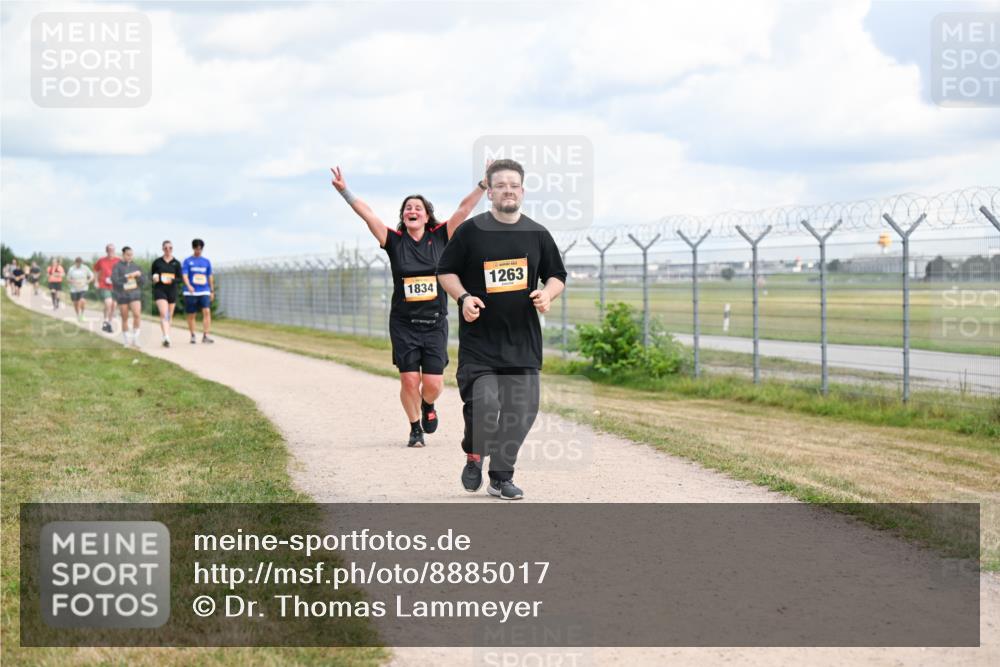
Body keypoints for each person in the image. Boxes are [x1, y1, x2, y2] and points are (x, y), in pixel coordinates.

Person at [330, 164, 488, 447]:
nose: (411, 211)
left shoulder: (441, 236)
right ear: (403, 216)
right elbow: (368, 214)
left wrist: (483, 184)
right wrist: (345, 191)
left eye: (417, 208)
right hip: (404, 323)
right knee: (409, 380)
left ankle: (428, 406)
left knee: (433, 385)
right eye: (407, 208)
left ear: (427, 216)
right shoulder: (394, 241)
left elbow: (463, 210)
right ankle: (415, 427)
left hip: (435, 322)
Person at [436, 159, 567, 499]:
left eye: (514, 185)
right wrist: (463, 297)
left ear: (522, 191)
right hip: (480, 342)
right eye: (501, 185)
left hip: (523, 343)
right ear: (490, 191)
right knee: (485, 405)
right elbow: (446, 271)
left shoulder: (537, 233)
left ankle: (500, 477)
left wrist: (546, 294)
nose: (508, 190)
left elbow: (557, 275)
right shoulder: (471, 231)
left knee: (521, 413)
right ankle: (474, 450)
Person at [111, 246, 145, 347]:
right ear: (123, 255)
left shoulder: (137, 266)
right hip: (122, 295)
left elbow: (143, 281)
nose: (130, 257)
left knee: (137, 315)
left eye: (131, 255)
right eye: (128, 255)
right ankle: (126, 341)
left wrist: (139, 276)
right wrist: (129, 276)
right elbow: (115, 281)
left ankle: (135, 339)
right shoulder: (117, 266)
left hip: (135, 294)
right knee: (125, 317)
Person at [182, 239, 214, 344]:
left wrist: (211, 290)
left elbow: (209, 276)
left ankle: (206, 335)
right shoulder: (187, 261)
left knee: (207, 311)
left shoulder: (206, 262)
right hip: (191, 292)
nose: (198, 250)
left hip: (204, 290)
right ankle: (192, 335)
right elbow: (185, 275)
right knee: (192, 314)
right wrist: (189, 286)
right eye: (196, 248)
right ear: (193, 248)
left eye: (200, 249)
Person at [151, 240, 182, 347]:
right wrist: (154, 278)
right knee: (164, 314)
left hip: (172, 290)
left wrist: (171, 280)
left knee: (169, 316)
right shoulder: (157, 262)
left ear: (172, 249)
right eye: (166, 248)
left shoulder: (176, 263)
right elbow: (153, 275)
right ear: (162, 249)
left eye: (170, 248)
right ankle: (166, 337)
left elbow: (180, 279)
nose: (168, 250)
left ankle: (167, 335)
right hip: (160, 290)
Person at [93, 244, 121, 333]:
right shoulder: (101, 260)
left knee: (114, 305)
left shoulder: (119, 260)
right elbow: (96, 270)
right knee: (108, 303)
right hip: (104, 285)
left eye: (113, 249)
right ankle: (105, 321)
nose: (111, 251)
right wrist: (96, 281)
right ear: (106, 251)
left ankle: (108, 323)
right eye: (109, 250)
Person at [66, 257, 95, 322]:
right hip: (74, 289)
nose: (79, 264)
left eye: (80, 263)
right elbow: (67, 278)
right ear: (75, 262)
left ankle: (82, 314)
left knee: (82, 301)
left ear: (82, 262)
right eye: (77, 262)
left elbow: (92, 276)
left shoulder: (85, 268)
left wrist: (88, 281)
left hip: (83, 288)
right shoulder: (71, 269)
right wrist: (73, 281)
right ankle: (78, 315)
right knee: (75, 303)